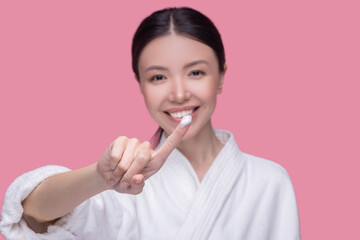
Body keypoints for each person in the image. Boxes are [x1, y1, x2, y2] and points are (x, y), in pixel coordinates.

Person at [0, 7, 300, 240]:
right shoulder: (128, 180)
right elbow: (31, 213)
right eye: (158, 77)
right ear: (140, 85)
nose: (179, 92)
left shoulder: (270, 181)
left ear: (221, 76)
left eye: (196, 72)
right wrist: (101, 177)